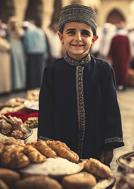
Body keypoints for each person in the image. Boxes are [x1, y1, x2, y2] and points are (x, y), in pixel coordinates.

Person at [38, 4, 124, 165]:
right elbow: (46, 111)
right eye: (71, 32)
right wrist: (45, 145)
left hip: (95, 147)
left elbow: (111, 109)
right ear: (61, 37)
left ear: (94, 39)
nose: (78, 38)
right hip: (60, 150)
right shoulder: (51, 71)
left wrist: (109, 146)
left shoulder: (104, 70)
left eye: (85, 33)